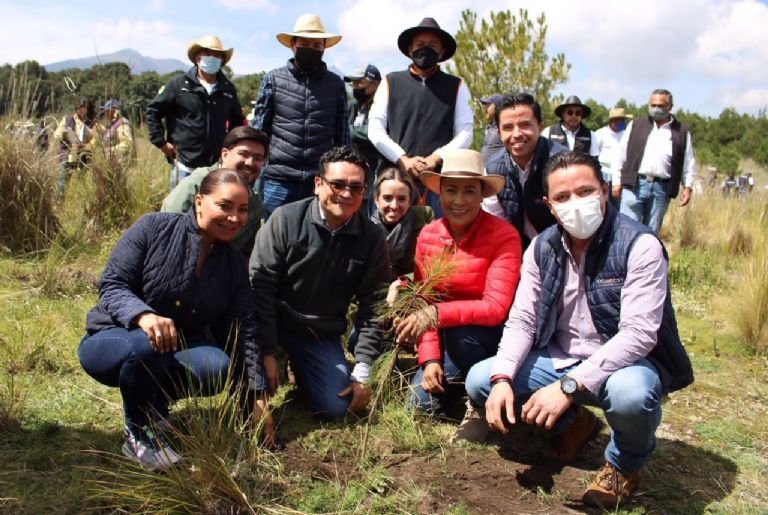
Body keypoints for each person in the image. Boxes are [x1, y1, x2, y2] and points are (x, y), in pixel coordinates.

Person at [464, 152, 693, 507]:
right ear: (550, 206)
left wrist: (568, 386)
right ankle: (574, 425)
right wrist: (502, 379)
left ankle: (623, 466)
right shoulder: (542, 247)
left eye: (585, 191)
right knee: (481, 378)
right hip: (559, 359)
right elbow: (522, 320)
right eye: (562, 197)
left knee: (632, 396)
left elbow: (639, 335)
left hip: (623, 365)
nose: (576, 204)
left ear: (604, 191)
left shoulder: (639, 245)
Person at [78, 169, 271, 471]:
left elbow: (243, 327)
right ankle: (138, 434)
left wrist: (257, 395)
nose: (234, 218)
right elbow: (113, 284)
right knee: (145, 345)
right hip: (113, 338)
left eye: (243, 210)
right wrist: (142, 315)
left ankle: (153, 406)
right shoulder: (152, 227)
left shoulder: (233, 263)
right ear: (198, 202)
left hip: (172, 349)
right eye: (225, 206)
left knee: (217, 366)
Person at [249, 147, 391, 419]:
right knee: (253, 396)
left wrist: (363, 369)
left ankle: (304, 369)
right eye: (337, 184)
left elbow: (374, 305)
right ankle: (279, 361)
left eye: (356, 187)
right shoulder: (284, 220)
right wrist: (265, 350)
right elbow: (260, 288)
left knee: (336, 407)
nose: (346, 194)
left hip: (319, 333)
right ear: (318, 184)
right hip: (273, 324)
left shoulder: (372, 238)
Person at [393, 149, 521, 418]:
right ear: (440, 192)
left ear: (482, 194)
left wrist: (435, 315)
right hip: (445, 336)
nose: (459, 201)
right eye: (451, 190)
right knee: (417, 409)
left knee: (464, 338)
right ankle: (461, 386)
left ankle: (485, 394)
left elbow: (496, 308)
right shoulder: (428, 234)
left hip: (487, 337)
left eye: (469, 191)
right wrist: (429, 359)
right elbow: (424, 301)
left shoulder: (504, 236)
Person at [368, 17, 473, 218]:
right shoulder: (390, 81)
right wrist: (402, 159)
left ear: (441, 51)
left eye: (433, 45)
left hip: (437, 180)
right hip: (393, 179)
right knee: (384, 242)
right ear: (410, 49)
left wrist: (436, 157)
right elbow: (375, 129)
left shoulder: (456, 85)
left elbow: (465, 133)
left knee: (436, 243)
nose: (426, 49)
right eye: (420, 44)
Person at [251, 14, 350, 217]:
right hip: (278, 179)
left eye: (316, 45)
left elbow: (342, 134)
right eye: (305, 43)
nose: (311, 49)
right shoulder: (273, 79)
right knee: (274, 236)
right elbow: (259, 130)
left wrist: (341, 173)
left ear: (324, 48)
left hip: (319, 180)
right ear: (293, 45)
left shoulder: (335, 84)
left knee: (315, 239)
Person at [147, 35, 245, 191]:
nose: (212, 58)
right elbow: (153, 111)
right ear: (197, 58)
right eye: (207, 53)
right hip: (184, 167)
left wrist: (230, 151)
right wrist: (161, 143)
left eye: (216, 55)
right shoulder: (178, 84)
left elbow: (237, 123)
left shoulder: (228, 89)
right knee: (179, 212)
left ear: (221, 60)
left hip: (215, 169)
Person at [161, 126, 268, 255]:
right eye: (243, 154)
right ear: (225, 154)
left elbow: (247, 254)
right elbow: (165, 232)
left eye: (258, 158)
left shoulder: (255, 205)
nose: (250, 163)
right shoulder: (196, 184)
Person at [483, 93, 567, 249]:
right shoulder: (493, 169)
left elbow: (573, 221)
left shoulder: (564, 163)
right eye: (508, 127)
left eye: (525, 125)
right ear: (499, 134)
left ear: (540, 127)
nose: (516, 134)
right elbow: (497, 223)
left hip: (563, 246)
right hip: (520, 248)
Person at [612, 89, 696, 234]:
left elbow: (688, 161)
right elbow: (621, 154)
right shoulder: (636, 125)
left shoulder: (681, 131)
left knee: (650, 234)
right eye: (653, 105)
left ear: (670, 107)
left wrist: (687, 187)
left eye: (660, 106)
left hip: (661, 189)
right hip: (634, 185)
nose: (656, 109)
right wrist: (616, 181)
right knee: (626, 230)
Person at [372, 168, 433, 277]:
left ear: (409, 201)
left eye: (401, 199)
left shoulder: (423, 218)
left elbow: (432, 263)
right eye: (387, 198)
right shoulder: (367, 229)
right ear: (376, 200)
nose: (394, 206)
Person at [344, 64, 383, 213]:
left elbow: (374, 132)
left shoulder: (382, 107)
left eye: (359, 82)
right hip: (353, 169)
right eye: (353, 83)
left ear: (375, 84)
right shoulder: (353, 106)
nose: (355, 86)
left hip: (374, 170)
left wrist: (349, 130)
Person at [54, 97, 95, 192]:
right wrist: (64, 133)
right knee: (62, 185)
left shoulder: (90, 123)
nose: (83, 111)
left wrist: (86, 145)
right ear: (77, 108)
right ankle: (59, 204)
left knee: (82, 185)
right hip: (66, 156)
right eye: (81, 108)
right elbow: (57, 134)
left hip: (82, 158)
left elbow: (95, 140)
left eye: (85, 108)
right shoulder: (67, 119)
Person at [595, 107, 631, 208]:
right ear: (611, 121)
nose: (620, 122)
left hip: (621, 175)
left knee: (618, 205)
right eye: (617, 120)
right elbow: (594, 153)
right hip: (604, 172)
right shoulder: (600, 134)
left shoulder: (627, 135)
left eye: (622, 120)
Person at [96, 99, 134, 167]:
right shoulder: (113, 124)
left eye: (107, 111)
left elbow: (127, 144)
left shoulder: (122, 124)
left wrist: (110, 150)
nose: (105, 113)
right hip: (113, 165)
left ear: (114, 111)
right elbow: (111, 136)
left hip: (122, 165)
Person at [479, 93, 504, 163]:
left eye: (488, 105)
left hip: (498, 172)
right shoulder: (489, 127)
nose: (485, 108)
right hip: (484, 171)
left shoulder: (504, 127)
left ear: (497, 106)